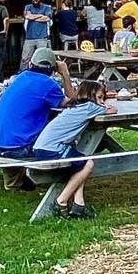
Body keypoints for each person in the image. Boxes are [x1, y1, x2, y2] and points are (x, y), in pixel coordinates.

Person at [0, 47, 74, 189]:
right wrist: (65, 73)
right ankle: (50, 181)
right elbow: (73, 103)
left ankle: (14, 182)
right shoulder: (48, 85)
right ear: (54, 69)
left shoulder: (19, 78)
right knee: (62, 135)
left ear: (30, 64)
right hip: (16, 148)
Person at [30, 79, 117, 218]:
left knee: (80, 164)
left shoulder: (74, 106)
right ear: (90, 95)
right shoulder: (90, 106)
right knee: (87, 164)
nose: (101, 101)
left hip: (41, 146)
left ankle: (79, 205)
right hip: (52, 149)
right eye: (100, 97)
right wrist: (104, 104)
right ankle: (61, 201)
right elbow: (113, 110)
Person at [20, 0, 53, 64]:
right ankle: (24, 71)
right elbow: (28, 16)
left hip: (42, 37)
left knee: (43, 59)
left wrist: (33, 17)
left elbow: (47, 18)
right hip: (29, 37)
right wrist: (41, 15)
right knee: (25, 59)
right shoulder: (28, 7)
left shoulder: (46, 7)